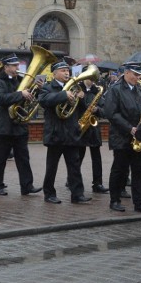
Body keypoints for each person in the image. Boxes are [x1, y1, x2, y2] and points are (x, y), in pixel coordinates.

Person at [38, 61, 91, 205]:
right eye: (63, 71)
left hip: (71, 132)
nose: (66, 73)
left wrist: (81, 98)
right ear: (54, 73)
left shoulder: (75, 87)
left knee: (74, 166)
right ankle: (49, 194)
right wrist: (63, 95)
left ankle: (77, 194)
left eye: (67, 70)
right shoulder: (48, 87)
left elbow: (81, 110)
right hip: (55, 133)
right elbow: (44, 101)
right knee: (52, 167)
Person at [0, 54, 42, 196]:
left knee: (23, 158)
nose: (17, 68)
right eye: (14, 66)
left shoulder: (21, 80)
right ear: (6, 67)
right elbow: (1, 98)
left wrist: (37, 89)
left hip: (19, 126)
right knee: (0, 159)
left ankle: (27, 186)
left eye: (17, 65)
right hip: (4, 126)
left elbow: (29, 98)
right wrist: (20, 94)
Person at [104, 62, 141, 213]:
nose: (139, 77)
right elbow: (112, 113)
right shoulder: (115, 89)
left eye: (139, 75)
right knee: (119, 170)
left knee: (139, 170)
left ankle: (139, 202)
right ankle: (114, 200)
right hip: (121, 136)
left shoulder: (140, 90)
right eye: (136, 75)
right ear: (127, 73)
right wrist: (129, 128)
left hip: (138, 136)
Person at [78, 70, 108, 194]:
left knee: (96, 158)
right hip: (80, 126)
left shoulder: (98, 91)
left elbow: (105, 110)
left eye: (94, 78)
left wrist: (97, 109)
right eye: (90, 77)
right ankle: (72, 180)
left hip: (94, 128)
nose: (92, 80)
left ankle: (98, 183)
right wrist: (78, 98)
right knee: (77, 157)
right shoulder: (77, 88)